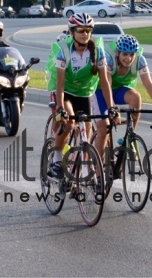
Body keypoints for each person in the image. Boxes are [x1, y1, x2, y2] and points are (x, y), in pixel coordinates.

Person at [48, 13, 116, 181]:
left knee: (86, 130)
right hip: (66, 92)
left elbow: (105, 83)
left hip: (85, 93)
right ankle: (56, 159)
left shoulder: (98, 52)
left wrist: (112, 107)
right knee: (69, 122)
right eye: (80, 30)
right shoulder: (64, 51)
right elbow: (61, 83)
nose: (85, 33)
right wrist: (61, 108)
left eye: (88, 30)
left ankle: (81, 168)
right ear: (72, 32)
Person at [91, 34, 152, 160]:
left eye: (132, 54)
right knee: (104, 128)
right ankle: (97, 170)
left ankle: (129, 138)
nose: (129, 58)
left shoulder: (140, 60)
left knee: (136, 97)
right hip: (101, 91)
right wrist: (113, 108)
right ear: (117, 53)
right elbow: (107, 85)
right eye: (125, 54)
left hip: (119, 90)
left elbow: (148, 84)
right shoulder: (109, 59)